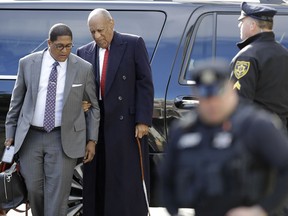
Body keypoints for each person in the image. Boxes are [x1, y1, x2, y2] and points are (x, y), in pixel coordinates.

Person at [161, 59, 288, 216]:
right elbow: (166, 179)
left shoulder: (256, 125)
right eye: (206, 97)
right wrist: (175, 212)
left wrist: (261, 210)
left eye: (218, 94)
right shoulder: (184, 131)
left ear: (231, 89)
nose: (213, 103)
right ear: (196, 94)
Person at [4, 23, 100, 216]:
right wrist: (10, 135)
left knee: (58, 192)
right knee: (33, 188)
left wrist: (92, 140)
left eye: (69, 46)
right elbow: (16, 102)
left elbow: (93, 106)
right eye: (60, 46)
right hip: (31, 136)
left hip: (62, 137)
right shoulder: (27, 63)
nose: (65, 51)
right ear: (49, 43)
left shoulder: (83, 68)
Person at [77, 8, 154, 216]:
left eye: (100, 30)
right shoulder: (83, 52)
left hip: (126, 124)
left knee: (124, 179)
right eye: (92, 32)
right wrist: (81, 102)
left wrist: (143, 119)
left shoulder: (133, 44)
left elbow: (144, 83)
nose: (97, 36)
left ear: (112, 23)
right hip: (96, 122)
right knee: (97, 176)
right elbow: (80, 86)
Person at [230, 2, 288, 128]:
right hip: (281, 136)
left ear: (252, 25)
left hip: (255, 134)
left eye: (242, 21)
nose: (239, 25)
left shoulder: (247, 57)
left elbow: (239, 104)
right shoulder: (284, 54)